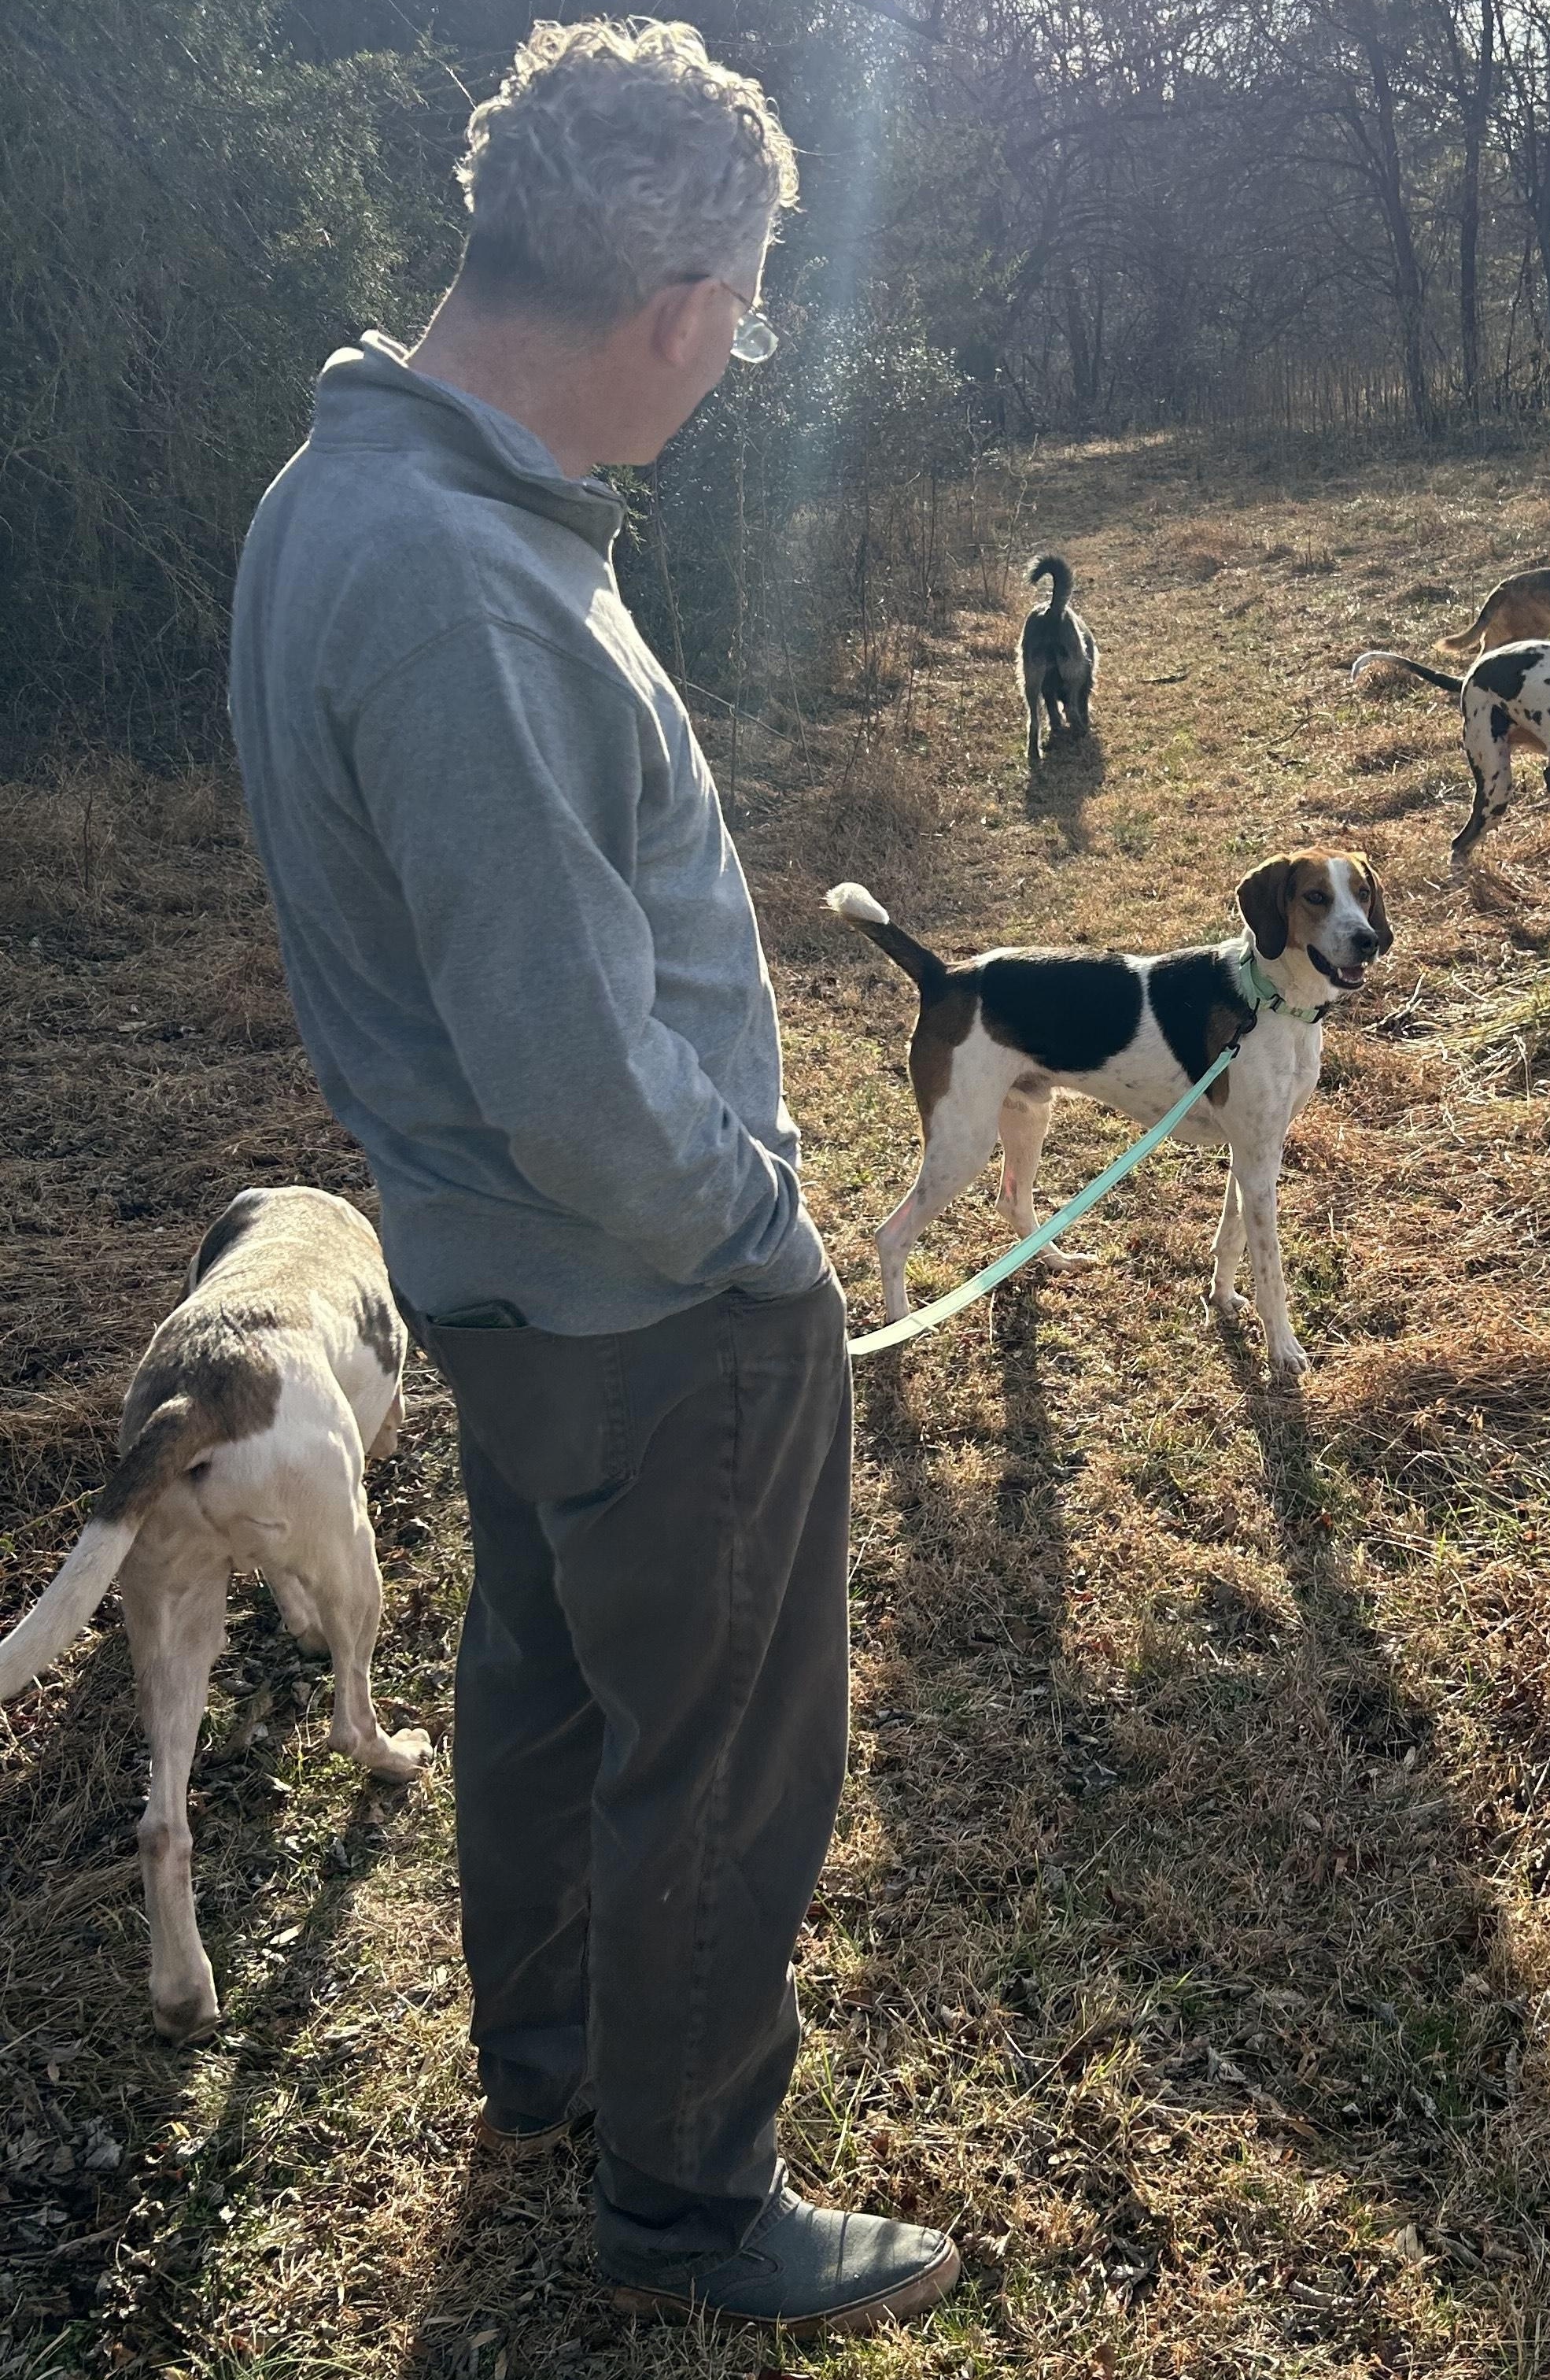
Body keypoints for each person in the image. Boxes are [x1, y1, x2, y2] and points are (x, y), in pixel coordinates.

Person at [227, 18, 958, 2337]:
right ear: (669, 311)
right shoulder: (465, 585)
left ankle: (548, 2060)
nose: (740, 363)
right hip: (644, 1296)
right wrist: (765, 1237)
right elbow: (569, 1068)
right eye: (742, 320)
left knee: (549, 1683)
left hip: (500, 1279)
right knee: (721, 1757)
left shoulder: (346, 491)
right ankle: (690, 2200)